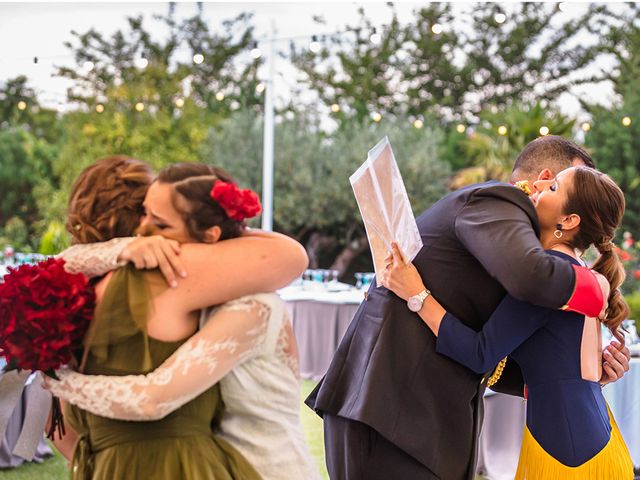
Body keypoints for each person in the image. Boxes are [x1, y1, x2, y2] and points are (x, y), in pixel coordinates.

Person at [305, 136, 630, 480]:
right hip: (387, 410)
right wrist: (595, 289)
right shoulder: (499, 203)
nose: (542, 188)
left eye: (555, 188)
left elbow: (494, 356)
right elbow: (527, 282)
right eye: (552, 182)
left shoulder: (531, 258)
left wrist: (585, 371)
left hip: (426, 425)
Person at [49, 162, 320, 480]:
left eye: (160, 224)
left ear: (209, 234)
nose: (142, 231)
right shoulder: (197, 293)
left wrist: (63, 383)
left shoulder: (253, 306)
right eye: (144, 214)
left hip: (268, 470)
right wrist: (124, 249)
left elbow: (153, 398)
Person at [380, 166, 634, 478]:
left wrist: (416, 293)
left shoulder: (549, 276)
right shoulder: (577, 271)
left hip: (568, 456)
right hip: (588, 439)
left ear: (568, 221)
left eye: (553, 188)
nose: (538, 187)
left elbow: (479, 354)